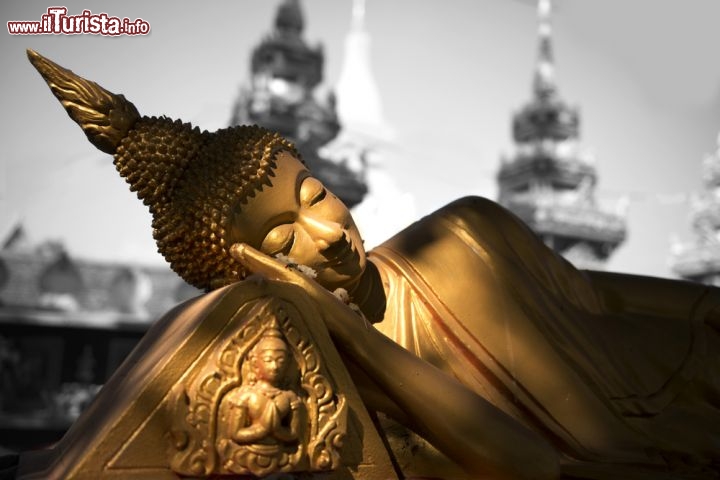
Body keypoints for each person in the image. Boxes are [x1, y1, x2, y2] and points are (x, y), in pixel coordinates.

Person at [28, 49, 720, 479]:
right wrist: (354, 340)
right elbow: (529, 466)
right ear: (250, 275)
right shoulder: (340, 381)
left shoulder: (463, 231)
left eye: (316, 194)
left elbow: (603, 301)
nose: (326, 233)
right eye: (279, 244)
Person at [216, 321, 305, 476]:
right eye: (269, 360)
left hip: (282, 457)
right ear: (256, 364)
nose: (275, 366)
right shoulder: (246, 396)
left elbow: (293, 434)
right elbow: (235, 433)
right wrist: (262, 429)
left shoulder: (289, 397)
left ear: (288, 364)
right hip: (245, 455)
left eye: (281, 361)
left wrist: (277, 430)